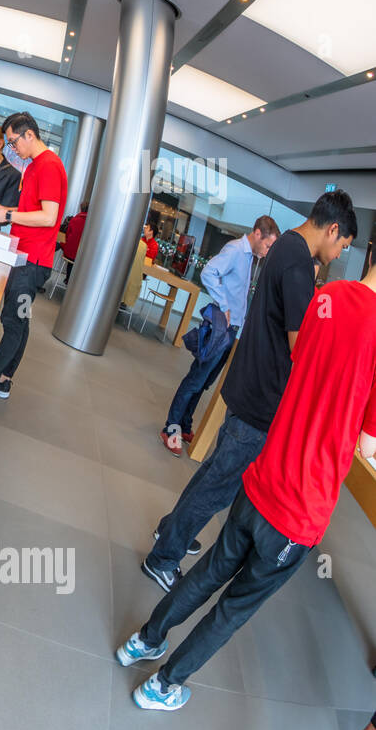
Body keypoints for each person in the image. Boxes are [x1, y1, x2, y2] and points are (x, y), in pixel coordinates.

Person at [119, 257, 376, 712]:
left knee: (209, 571)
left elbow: (301, 364)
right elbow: (368, 445)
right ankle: (163, 686)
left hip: (263, 476)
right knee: (233, 608)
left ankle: (143, 640)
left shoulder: (328, 297)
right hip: (300, 509)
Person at [142, 191, 356, 591]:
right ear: (332, 230)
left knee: (211, 473)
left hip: (248, 386)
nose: (339, 254)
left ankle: (172, 531)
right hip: (263, 400)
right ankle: (163, 558)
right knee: (218, 486)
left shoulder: (285, 247)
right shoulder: (297, 265)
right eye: (342, 245)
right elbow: (301, 345)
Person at [0, 112, 67, 403]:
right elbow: (32, 212)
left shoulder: (48, 166)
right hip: (26, 256)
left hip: (32, 261)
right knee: (21, 320)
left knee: (12, 320)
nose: (11, 148)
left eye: (12, 142)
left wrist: (6, 214)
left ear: (29, 135)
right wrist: (1, 209)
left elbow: (49, 218)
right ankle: (5, 379)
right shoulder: (36, 166)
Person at [160, 216, 279, 457]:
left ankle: (184, 425)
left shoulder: (249, 258)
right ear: (257, 234)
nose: (267, 251)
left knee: (204, 383)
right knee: (195, 379)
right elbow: (208, 273)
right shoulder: (236, 250)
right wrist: (224, 305)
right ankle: (170, 428)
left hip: (231, 330)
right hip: (221, 329)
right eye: (267, 245)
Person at [60, 203, 88, 282]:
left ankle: (68, 279)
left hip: (69, 253)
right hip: (82, 256)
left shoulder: (74, 219)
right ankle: (75, 282)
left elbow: (67, 236)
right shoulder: (91, 224)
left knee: (71, 261)